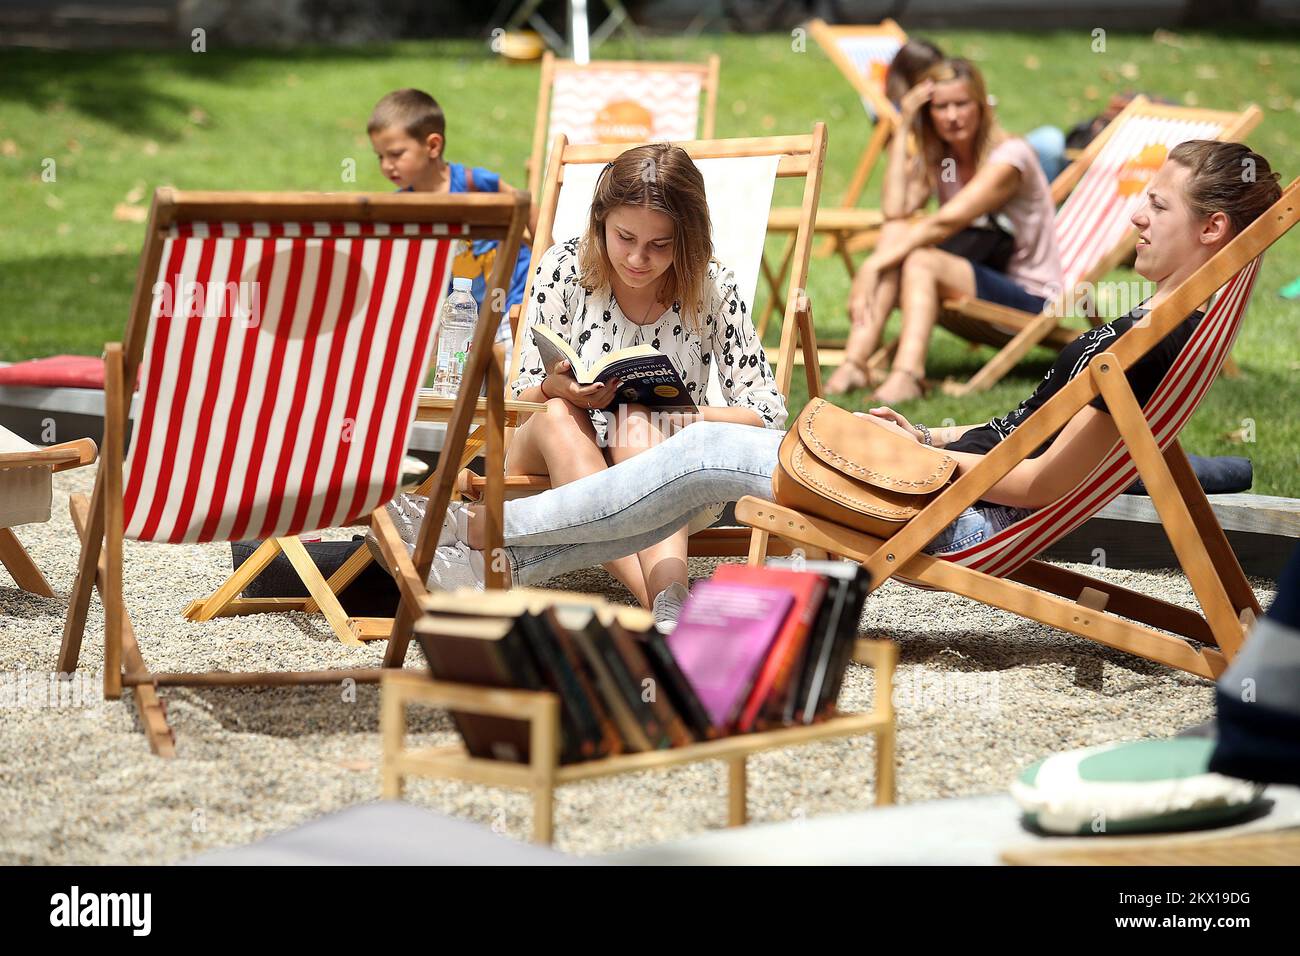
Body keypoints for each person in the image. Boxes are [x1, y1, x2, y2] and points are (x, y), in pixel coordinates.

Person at [392, 142, 1280, 612]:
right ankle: (482, 547)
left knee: (694, 446)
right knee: (686, 455)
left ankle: (472, 532)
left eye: (1158, 204)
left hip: (948, 510)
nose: (1138, 212)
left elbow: (1045, 479)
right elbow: (1029, 445)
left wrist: (929, 464)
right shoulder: (1162, 327)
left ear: (1211, 233)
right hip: (932, 476)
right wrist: (926, 434)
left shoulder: (1155, 341)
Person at [399, 143, 787, 631]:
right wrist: (558, 388)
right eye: (624, 237)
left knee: (637, 422)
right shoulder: (565, 268)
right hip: (553, 447)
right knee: (558, 416)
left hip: (661, 468)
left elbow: (766, 413)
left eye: (660, 245)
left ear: (686, 241)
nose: (638, 258)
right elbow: (520, 395)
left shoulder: (710, 288)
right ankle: (671, 603)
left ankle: (666, 609)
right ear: (600, 221)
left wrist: (684, 417)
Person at [825, 58, 1063, 403]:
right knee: (896, 233)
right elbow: (894, 210)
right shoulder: (943, 158)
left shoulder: (1011, 157)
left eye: (962, 104)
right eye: (941, 107)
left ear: (981, 106)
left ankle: (908, 374)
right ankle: (854, 361)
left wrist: (872, 265)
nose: (952, 116)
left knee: (920, 258)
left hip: (1030, 296)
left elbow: (946, 222)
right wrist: (904, 125)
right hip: (979, 276)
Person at [367, 88, 534, 365]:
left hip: (511, 302)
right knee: (458, 387)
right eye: (380, 157)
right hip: (460, 315)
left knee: (506, 377)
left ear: (432, 146)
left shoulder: (473, 183)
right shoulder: (401, 207)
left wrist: (550, 254)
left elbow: (525, 204)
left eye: (395, 154)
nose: (387, 166)